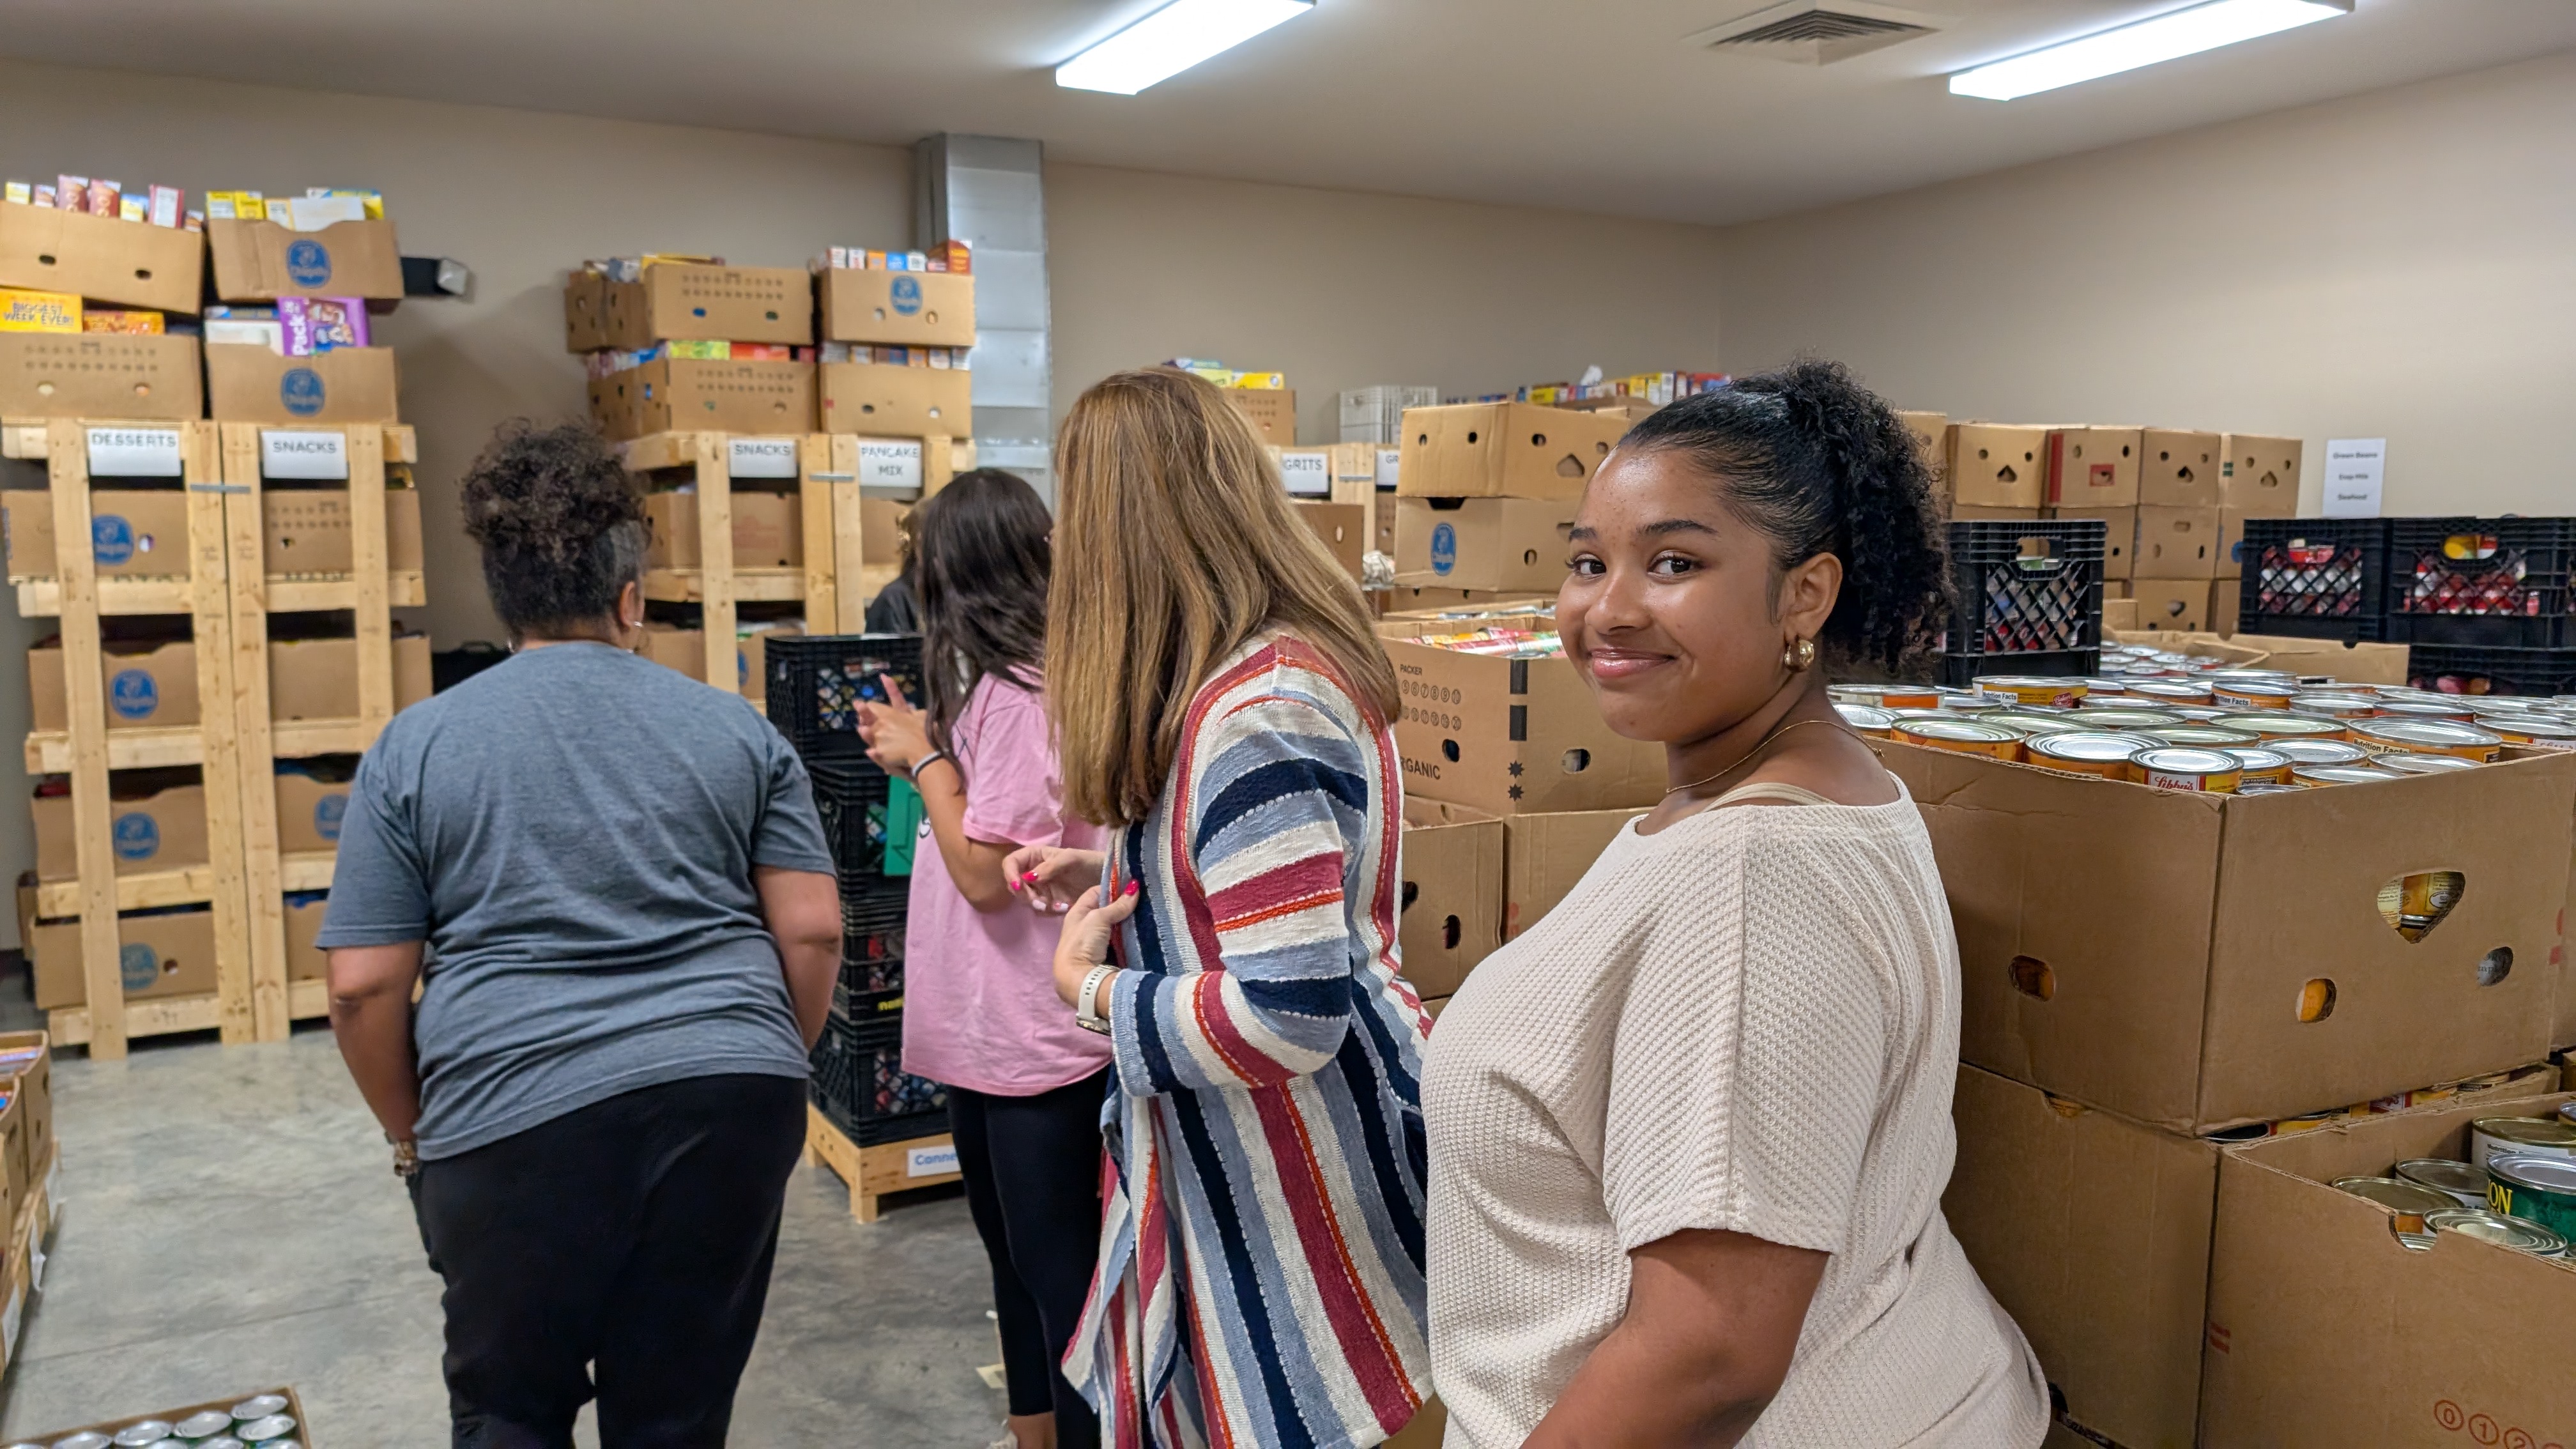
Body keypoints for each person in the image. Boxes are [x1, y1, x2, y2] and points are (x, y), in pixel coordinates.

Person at [1421, 362, 2051, 1448]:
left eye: (1675, 563)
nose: (1608, 610)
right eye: (1588, 561)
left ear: (1805, 593)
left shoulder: (1756, 870)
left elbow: (1709, 1357)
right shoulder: (1787, 794)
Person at [322, 422, 843, 1446]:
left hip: (507, 1115)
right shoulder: (737, 729)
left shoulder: (415, 746)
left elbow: (363, 986)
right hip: (729, 1100)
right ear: (631, 598)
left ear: (503, 600)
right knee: (677, 1411)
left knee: (510, 1410)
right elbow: (815, 932)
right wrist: (762, 1053)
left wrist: (415, 1135)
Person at [1007, 367, 1434, 1449]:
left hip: (1310, 1179)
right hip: (1279, 1167)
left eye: (1072, 513)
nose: (1058, 546)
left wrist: (1090, 990)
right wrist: (1116, 878)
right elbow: (1278, 889)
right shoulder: (1261, 679)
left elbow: (1288, 1016)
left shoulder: (1255, 714)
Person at [851, 469, 1110, 1449]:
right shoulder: (1007, 684)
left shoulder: (1020, 692)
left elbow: (986, 875)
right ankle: (1030, 1431)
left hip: (1034, 1034)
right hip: (994, 1028)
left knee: (1058, 1277)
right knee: (1013, 1257)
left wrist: (922, 759)